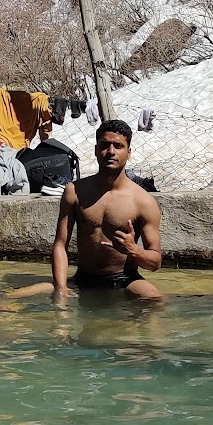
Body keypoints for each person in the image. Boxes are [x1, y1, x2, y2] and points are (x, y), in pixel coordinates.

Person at [51, 120, 163, 301]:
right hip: (82, 279)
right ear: (96, 149)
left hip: (125, 279)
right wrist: (61, 288)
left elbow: (155, 262)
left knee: (155, 300)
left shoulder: (143, 201)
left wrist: (134, 250)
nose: (111, 151)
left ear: (128, 152)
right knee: (13, 297)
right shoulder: (75, 191)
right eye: (105, 145)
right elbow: (60, 244)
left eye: (118, 146)